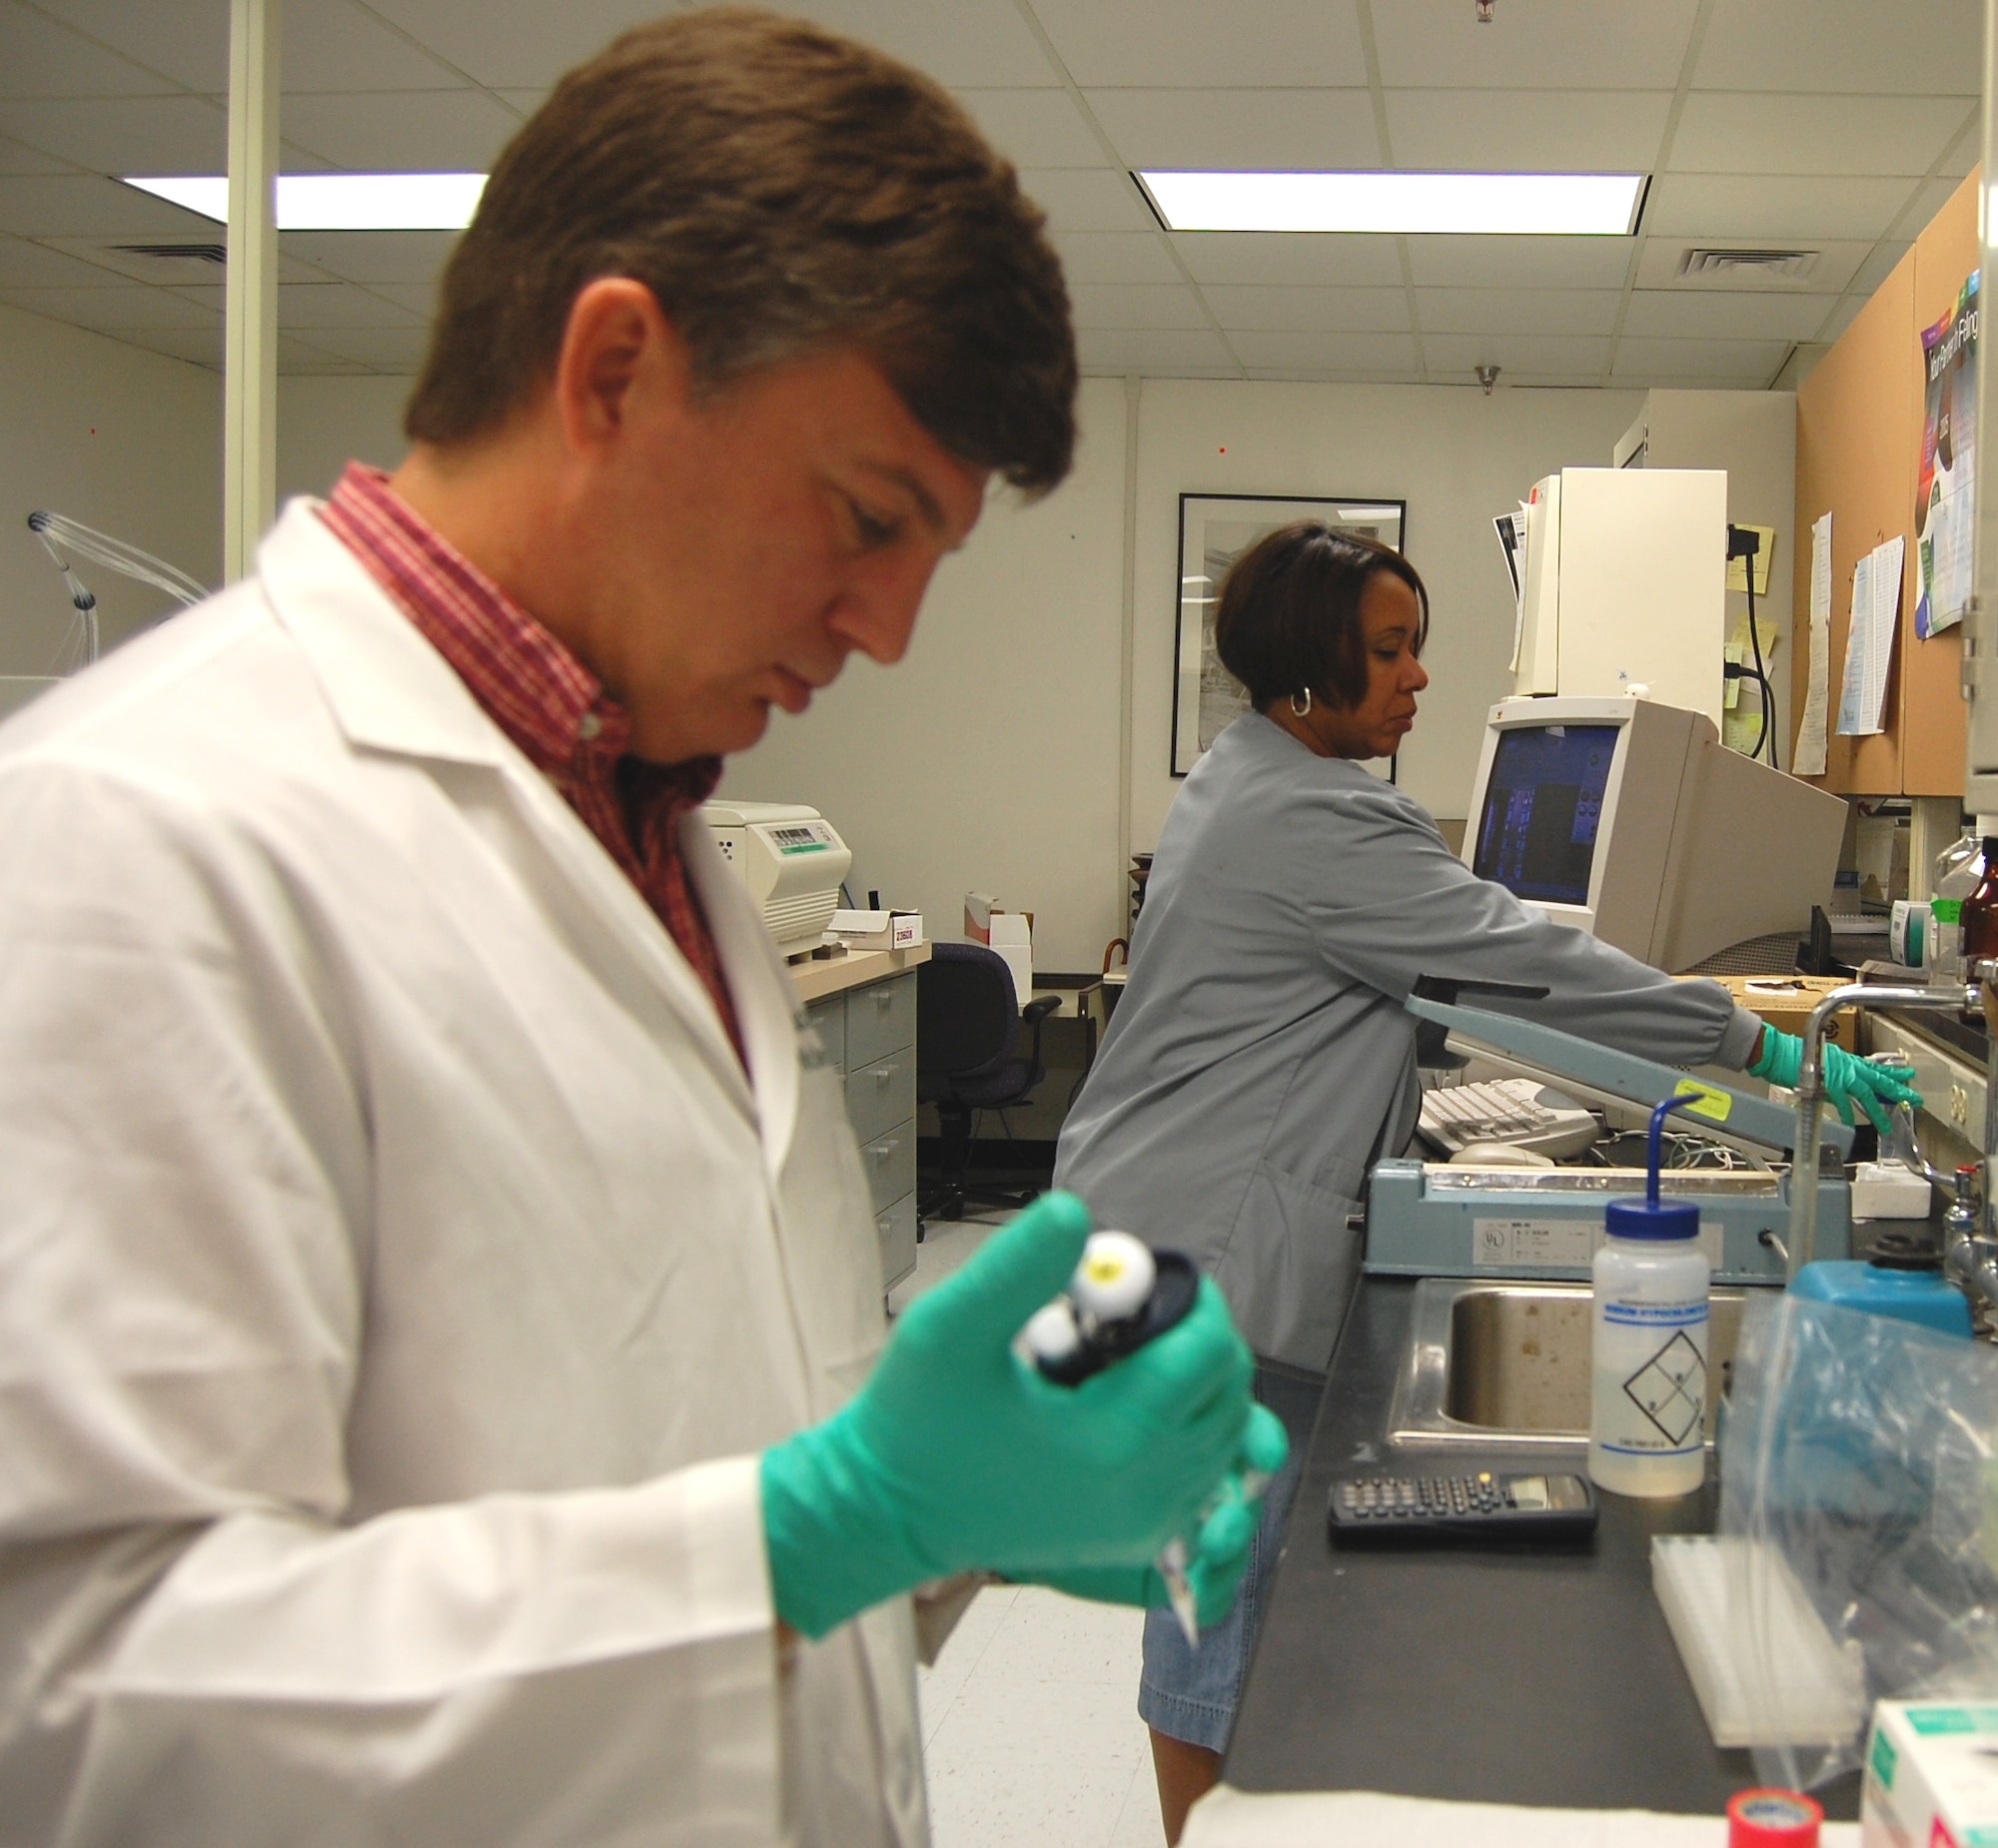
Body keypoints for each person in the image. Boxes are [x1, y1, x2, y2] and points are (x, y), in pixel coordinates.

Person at [0, 13, 1285, 1844]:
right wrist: (814, 1529)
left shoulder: (657, 845)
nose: (889, 632)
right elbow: (75, 1713)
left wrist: (951, 1521)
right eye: (865, 517)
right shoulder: (131, 844)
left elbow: (692, 1508)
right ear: (612, 368)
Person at [1053, 520, 1918, 1842]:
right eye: (1390, 651)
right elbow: (1523, 959)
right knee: (1209, 1631)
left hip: (1165, 1222)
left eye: (1417, 649)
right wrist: (1760, 1045)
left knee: (1214, 1608)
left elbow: (1432, 985)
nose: (1417, 679)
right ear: (1306, 670)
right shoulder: (1314, 816)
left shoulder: (1259, 776)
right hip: (1212, 1258)